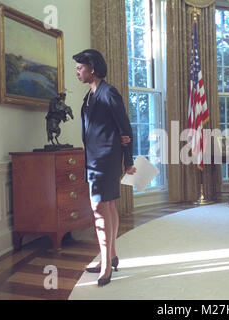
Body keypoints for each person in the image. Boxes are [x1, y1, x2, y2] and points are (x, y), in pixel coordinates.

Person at [73, 49, 136, 286]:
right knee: (107, 205)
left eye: (80, 68)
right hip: (93, 159)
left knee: (98, 208)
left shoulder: (109, 93)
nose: (77, 73)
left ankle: (106, 265)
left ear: (92, 68)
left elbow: (125, 129)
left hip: (105, 160)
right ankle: (111, 255)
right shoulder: (89, 96)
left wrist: (128, 161)